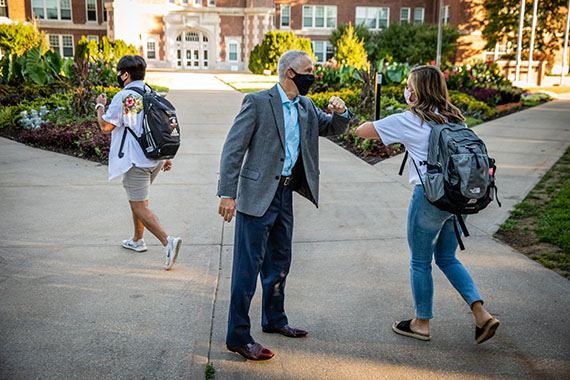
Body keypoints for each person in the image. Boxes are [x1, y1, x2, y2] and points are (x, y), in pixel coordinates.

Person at [217, 50, 352, 360]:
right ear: (290, 73)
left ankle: (275, 320)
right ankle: (238, 336)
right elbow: (233, 149)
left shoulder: (306, 106)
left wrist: (341, 112)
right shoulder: (258, 102)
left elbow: (334, 127)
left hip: (285, 194)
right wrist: (228, 193)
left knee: (280, 261)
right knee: (247, 268)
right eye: (308, 70)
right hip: (256, 196)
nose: (313, 75)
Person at [355, 65, 499, 344]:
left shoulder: (410, 119)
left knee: (420, 262)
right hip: (457, 200)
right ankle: (482, 314)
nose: (406, 91)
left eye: (409, 86)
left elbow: (362, 131)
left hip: (430, 198)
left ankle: (422, 323)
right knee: (447, 257)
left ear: (418, 91)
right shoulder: (455, 118)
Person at [95, 55, 181, 271]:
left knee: (139, 205)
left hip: (136, 161)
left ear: (125, 74)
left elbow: (106, 127)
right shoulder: (151, 92)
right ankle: (137, 240)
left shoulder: (124, 97)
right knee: (139, 201)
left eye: (119, 72)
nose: (118, 75)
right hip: (155, 158)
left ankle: (167, 241)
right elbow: (159, 125)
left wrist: (99, 106)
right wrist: (166, 155)